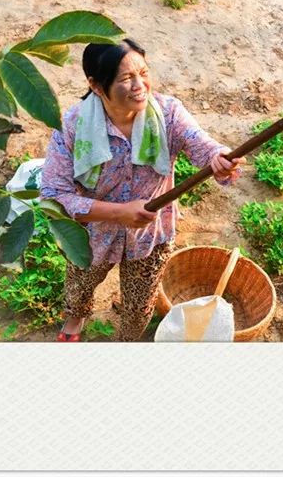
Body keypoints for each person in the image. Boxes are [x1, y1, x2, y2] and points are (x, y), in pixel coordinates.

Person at [39, 38, 244, 342]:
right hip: (92, 234)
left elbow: (200, 143)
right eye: (125, 78)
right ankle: (76, 318)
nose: (140, 85)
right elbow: (54, 193)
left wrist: (220, 157)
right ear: (96, 85)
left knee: (139, 302)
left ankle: (128, 340)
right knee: (80, 283)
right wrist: (119, 213)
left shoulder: (168, 113)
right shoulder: (72, 125)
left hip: (150, 235)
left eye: (144, 72)